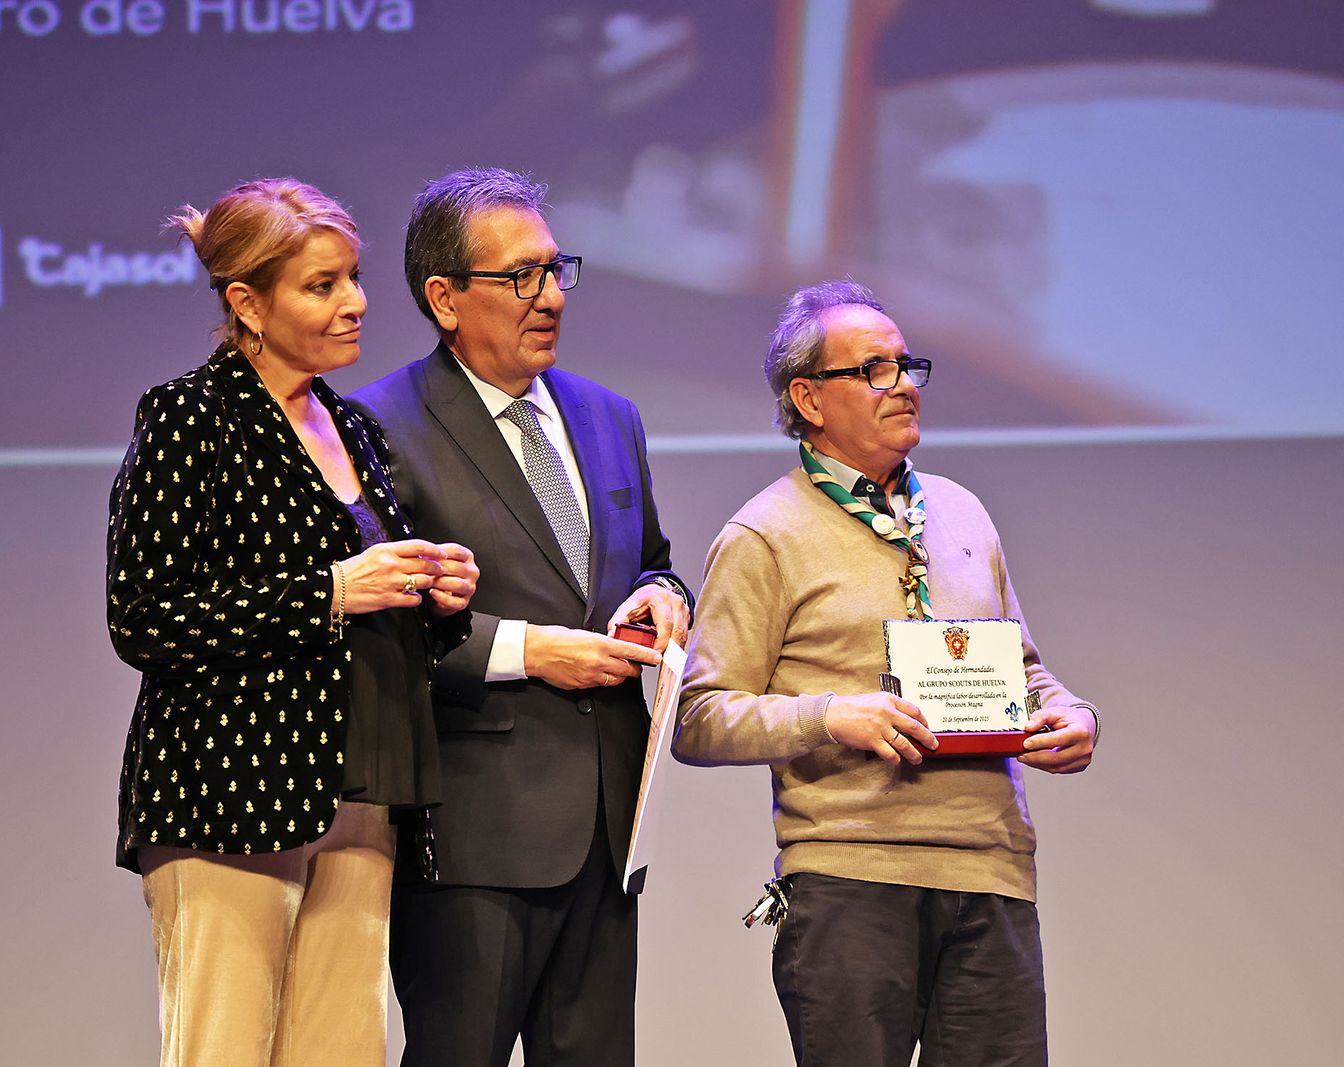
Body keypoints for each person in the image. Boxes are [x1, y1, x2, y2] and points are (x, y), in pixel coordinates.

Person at [672, 279, 1099, 1066]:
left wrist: (1075, 716)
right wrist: (831, 715)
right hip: (850, 877)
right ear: (808, 396)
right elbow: (698, 715)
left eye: (908, 365)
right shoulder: (762, 533)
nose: (903, 384)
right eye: (873, 369)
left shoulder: (963, 512)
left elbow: (1028, 671)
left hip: (992, 869)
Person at [106, 177, 479, 1067]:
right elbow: (143, 615)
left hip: (362, 791)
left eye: (353, 278)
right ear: (247, 303)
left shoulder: (355, 428)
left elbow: (372, 606)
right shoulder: (189, 416)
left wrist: (435, 596)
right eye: (322, 285)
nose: (354, 303)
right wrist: (327, 592)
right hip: (231, 797)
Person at [348, 167, 692, 1067]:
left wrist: (667, 596)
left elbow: (650, 553)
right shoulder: (378, 425)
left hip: (609, 827)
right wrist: (529, 651)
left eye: (556, 269)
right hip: (474, 831)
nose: (549, 297)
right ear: (445, 298)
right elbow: (380, 624)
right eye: (520, 277)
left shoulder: (610, 416)